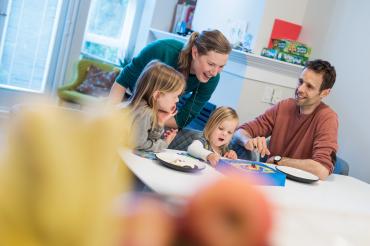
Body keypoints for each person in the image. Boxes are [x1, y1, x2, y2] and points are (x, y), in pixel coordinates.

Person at [234, 59, 338, 180]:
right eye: (300, 82)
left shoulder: (328, 118)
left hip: (302, 187)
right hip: (272, 179)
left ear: (325, 93)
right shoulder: (284, 106)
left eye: (309, 86)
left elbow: (321, 169)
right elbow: (240, 132)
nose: (300, 89)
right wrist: (247, 140)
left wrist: (280, 161)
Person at [109, 30, 231, 129]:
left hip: (153, 113)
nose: (215, 72)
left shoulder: (211, 79)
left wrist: (153, 119)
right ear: (195, 53)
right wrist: (110, 114)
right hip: (126, 99)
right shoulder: (162, 49)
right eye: (210, 64)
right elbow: (123, 80)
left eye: (221, 66)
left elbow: (181, 120)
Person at [128, 61, 185, 152]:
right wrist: (165, 143)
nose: (177, 100)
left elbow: (149, 139)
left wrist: (160, 122)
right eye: (175, 96)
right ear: (157, 95)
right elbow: (139, 144)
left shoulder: (140, 107)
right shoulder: (145, 113)